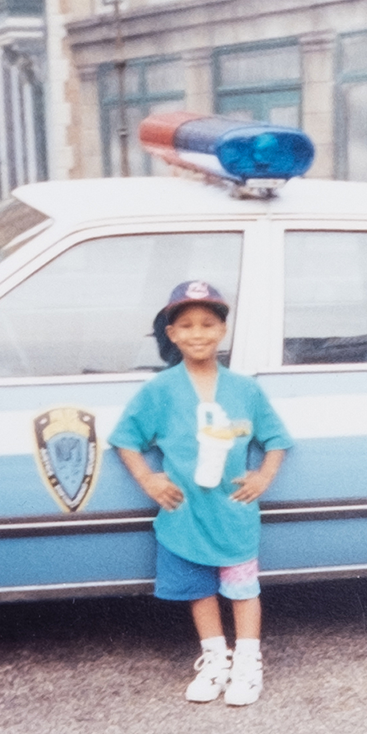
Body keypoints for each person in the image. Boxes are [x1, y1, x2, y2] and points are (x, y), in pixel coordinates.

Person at [110, 280, 293, 706]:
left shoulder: (245, 389)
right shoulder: (160, 390)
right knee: (199, 589)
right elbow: (126, 438)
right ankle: (215, 660)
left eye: (208, 324)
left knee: (243, 589)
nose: (198, 334)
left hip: (232, 512)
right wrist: (149, 480)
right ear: (172, 334)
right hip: (186, 513)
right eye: (186, 325)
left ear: (222, 330)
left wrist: (263, 476)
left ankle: (248, 663)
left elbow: (277, 438)